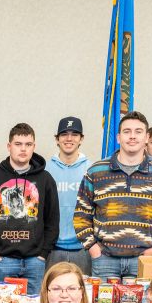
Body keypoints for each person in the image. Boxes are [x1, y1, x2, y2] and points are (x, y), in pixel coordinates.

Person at [75, 112, 152, 280]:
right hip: (104, 259)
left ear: (146, 137)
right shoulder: (96, 171)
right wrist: (93, 249)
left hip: (144, 259)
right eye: (127, 131)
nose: (132, 136)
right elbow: (81, 215)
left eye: (138, 131)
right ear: (118, 137)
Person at [0, 122, 58, 294]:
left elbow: (52, 221)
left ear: (34, 146)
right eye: (18, 144)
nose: (23, 149)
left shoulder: (46, 180)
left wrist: (42, 255)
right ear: (9, 146)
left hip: (35, 261)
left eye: (28, 144)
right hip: (2, 261)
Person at [45, 117, 92, 273]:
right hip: (52, 248)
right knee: (50, 293)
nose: (69, 138)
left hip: (83, 248)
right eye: (64, 134)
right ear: (57, 139)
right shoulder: (46, 170)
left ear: (81, 139)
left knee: (82, 295)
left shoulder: (91, 169)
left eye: (75, 134)